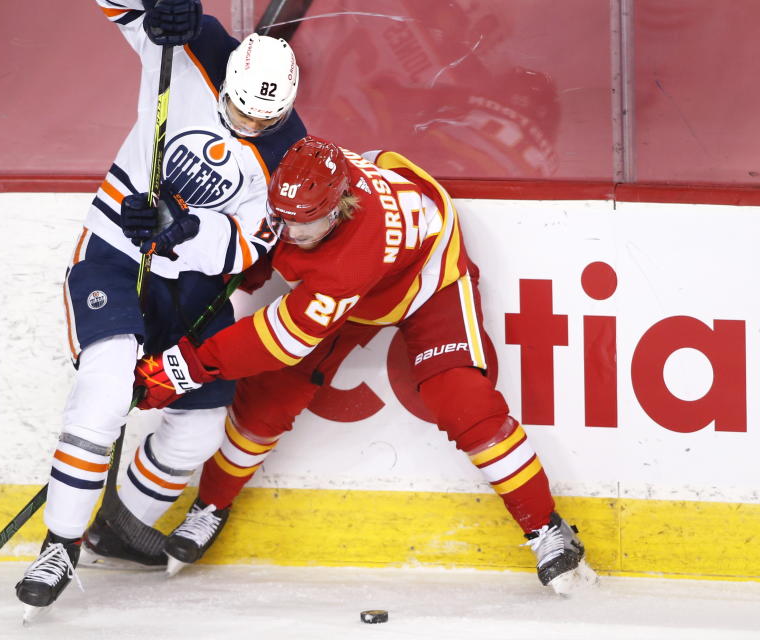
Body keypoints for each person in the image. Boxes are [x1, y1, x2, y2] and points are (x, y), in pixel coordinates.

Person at [131, 136, 597, 593]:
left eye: (304, 226)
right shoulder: (306, 188)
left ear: (338, 210)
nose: (290, 233)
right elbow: (274, 227)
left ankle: (546, 527)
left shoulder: (349, 259)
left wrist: (180, 369)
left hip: (424, 280)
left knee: (462, 401)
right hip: (358, 284)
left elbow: (281, 338)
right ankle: (211, 505)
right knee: (268, 400)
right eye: (283, 219)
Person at [14, 0, 306, 614]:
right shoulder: (193, 46)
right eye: (238, 112)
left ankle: (118, 527)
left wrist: (184, 229)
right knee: (105, 383)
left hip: (194, 286)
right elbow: (120, 7)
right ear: (227, 83)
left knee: (198, 431)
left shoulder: (289, 152)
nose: (248, 126)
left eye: (264, 120)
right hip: (115, 254)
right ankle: (59, 543)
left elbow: (251, 242)